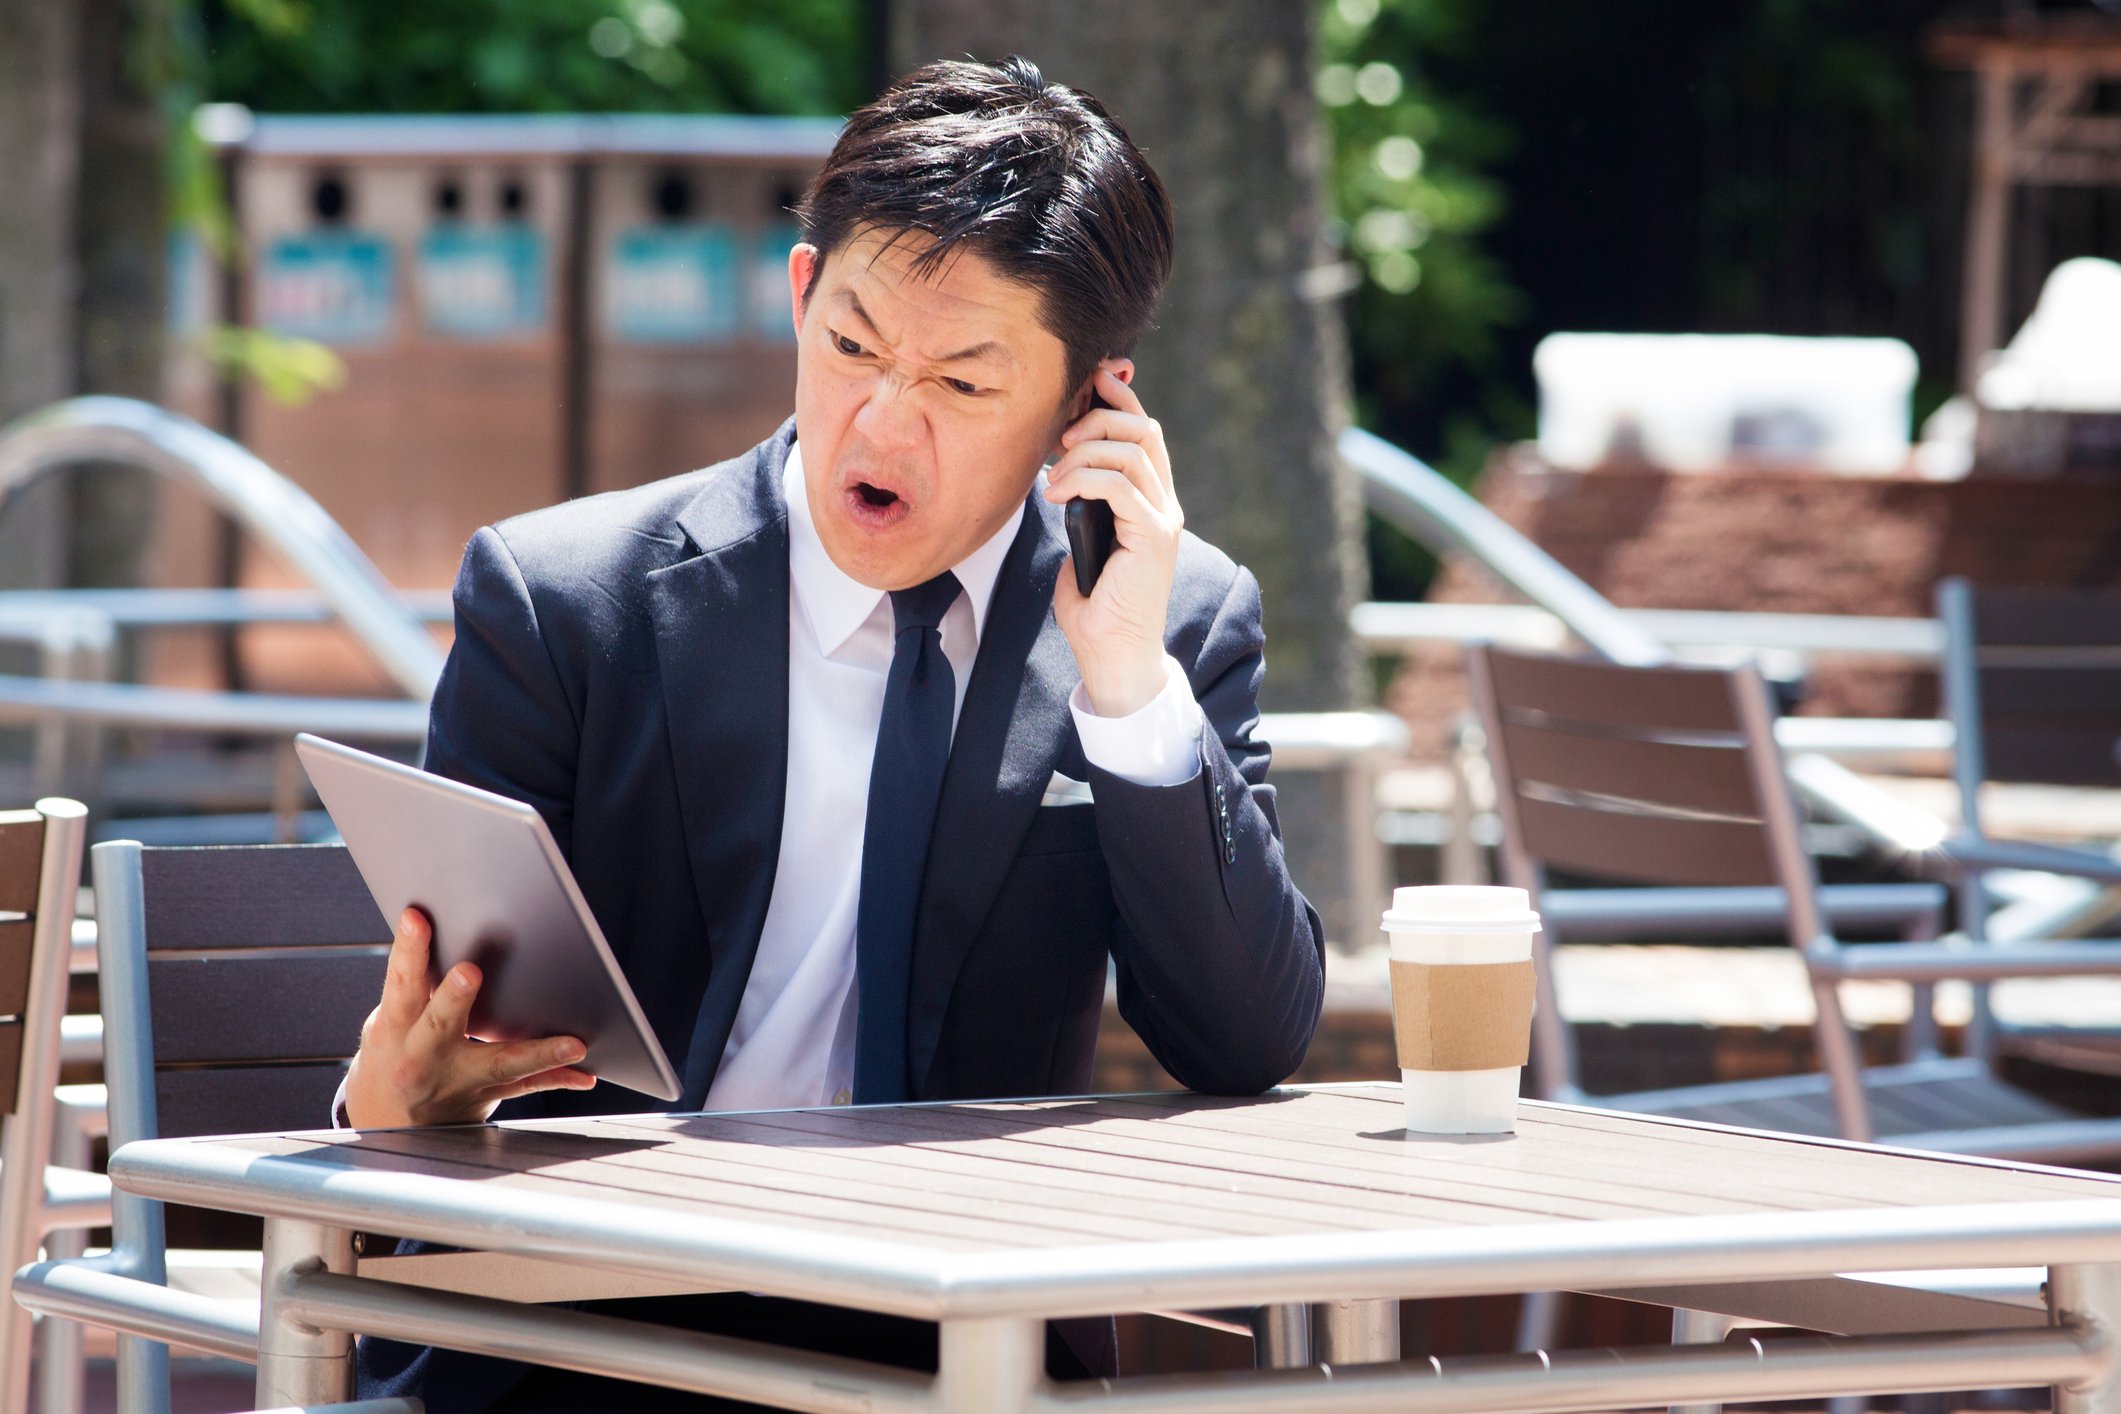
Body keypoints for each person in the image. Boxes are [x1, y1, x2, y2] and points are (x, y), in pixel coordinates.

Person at [343, 55, 1324, 1411]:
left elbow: (1242, 1040)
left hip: (954, 1352)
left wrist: (1122, 683)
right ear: (800, 293)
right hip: (578, 1332)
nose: (883, 418)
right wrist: (398, 1104)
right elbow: (434, 1045)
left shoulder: (1166, 623)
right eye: (853, 345)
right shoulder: (565, 601)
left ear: (1087, 406)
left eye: (964, 385)